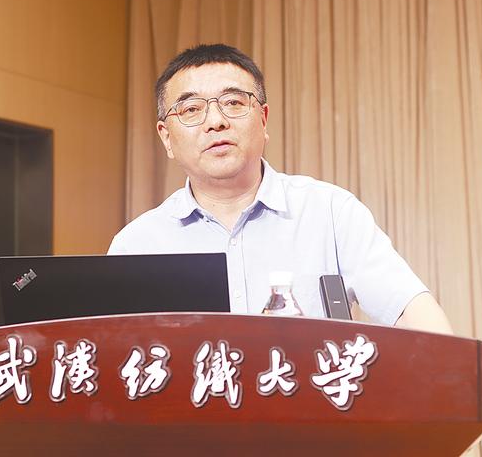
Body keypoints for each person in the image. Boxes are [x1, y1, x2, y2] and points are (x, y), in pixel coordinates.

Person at [109, 43, 453, 335]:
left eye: (233, 103)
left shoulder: (330, 212)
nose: (216, 121)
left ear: (263, 119)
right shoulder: (137, 244)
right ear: (167, 138)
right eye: (191, 109)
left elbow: (410, 310)